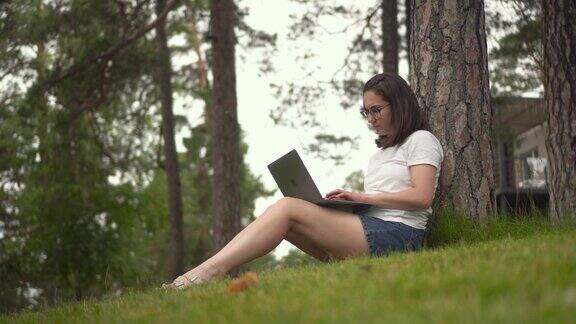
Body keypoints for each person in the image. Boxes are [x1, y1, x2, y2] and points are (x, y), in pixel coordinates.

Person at [162, 73, 444, 289]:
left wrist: (365, 197)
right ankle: (208, 270)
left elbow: (421, 197)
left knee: (287, 208)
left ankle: (209, 271)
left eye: (376, 110)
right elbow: (382, 201)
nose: (370, 119)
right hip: (373, 227)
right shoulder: (380, 154)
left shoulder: (421, 140)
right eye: (365, 112)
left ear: (398, 104)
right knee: (288, 224)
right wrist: (345, 204)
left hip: (398, 235)